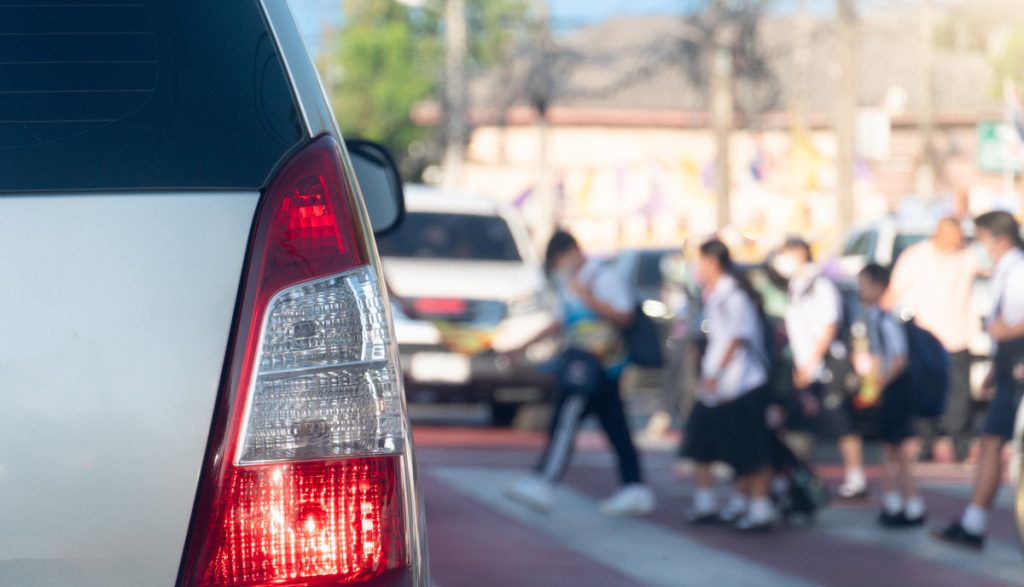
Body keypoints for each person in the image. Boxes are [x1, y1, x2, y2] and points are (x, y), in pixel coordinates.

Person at [504, 230, 656, 516]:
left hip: (598, 368)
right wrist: (520, 347)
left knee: (565, 419)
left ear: (574, 251)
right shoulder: (569, 284)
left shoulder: (603, 278)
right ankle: (635, 487)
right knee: (616, 426)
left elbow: (625, 316)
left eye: (560, 258)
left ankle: (544, 481)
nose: (560, 265)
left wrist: (587, 296)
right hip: (586, 367)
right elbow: (559, 322)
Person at [933, 211, 1024, 549]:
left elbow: (1011, 324)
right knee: (990, 442)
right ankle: (974, 521)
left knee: (993, 441)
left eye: (980, 239)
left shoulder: (1017, 270)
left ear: (999, 238)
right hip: (1009, 365)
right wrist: (995, 365)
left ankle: (975, 522)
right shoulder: (1005, 270)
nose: (977, 247)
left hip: (1018, 367)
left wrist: (1005, 333)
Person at [682, 239, 777, 532]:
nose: (696, 268)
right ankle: (713, 501)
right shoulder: (714, 295)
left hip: (743, 384)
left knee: (753, 448)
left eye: (699, 262)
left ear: (712, 261)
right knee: (704, 444)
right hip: (721, 388)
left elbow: (737, 337)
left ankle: (760, 507)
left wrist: (715, 373)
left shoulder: (734, 295)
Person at [774, 237, 868, 499]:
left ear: (799, 253)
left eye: (785, 254)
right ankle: (800, 478)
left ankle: (855, 477)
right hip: (804, 365)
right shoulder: (797, 286)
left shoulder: (822, 285)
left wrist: (812, 362)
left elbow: (830, 326)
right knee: (799, 426)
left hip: (826, 366)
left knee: (841, 422)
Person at [884, 217, 979, 462]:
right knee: (926, 393)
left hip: (958, 334)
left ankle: (960, 444)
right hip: (925, 336)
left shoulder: (967, 257)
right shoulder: (915, 256)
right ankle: (926, 443)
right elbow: (893, 292)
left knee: (959, 395)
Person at [858, 263, 927, 527]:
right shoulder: (876, 318)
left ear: (878, 287)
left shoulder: (886, 320)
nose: (861, 291)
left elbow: (899, 359)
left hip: (894, 391)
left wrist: (877, 386)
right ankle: (902, 503)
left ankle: (905, 504)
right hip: (890, 389)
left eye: (864, 285)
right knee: (892, 452)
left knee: (894, 451)